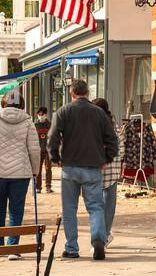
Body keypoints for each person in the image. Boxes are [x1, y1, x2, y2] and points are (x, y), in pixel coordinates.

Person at [48, 79, 119, 260]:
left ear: (72, 94)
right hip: (93, 166)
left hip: (70, 166)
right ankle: (97, 240)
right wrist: (107, 159)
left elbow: (53, 137)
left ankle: (72, 247)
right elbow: (112, 139)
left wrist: (55, 157)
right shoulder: (99, 114)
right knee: (95, 206)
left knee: (69, 208)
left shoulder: (63, 111)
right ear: (87, 93)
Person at [0, 93, 41, 249]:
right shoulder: (27, 121)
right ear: (21, 105)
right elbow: (34, 150)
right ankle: (13, 246)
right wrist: (35, 170)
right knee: (16, 209)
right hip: (20, 173)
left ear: (3, 104)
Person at [93, 98, 123, 248]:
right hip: (112, 172)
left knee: (97, 206)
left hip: (96, 171)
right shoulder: (115, 127)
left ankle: (101, 237)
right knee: (109, 206)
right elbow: (121, 149)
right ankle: (104, 235)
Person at [34, 107, 53, 193]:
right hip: (38, 150)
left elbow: (53, 136)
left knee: (48, 168)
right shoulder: (34, 125)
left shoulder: (49, 124)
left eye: (42, 114)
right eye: (39, 114)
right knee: (38, 169)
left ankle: (48, 186)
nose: (41, 116)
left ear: (46, 114)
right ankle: (38, 187)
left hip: (48, 150)